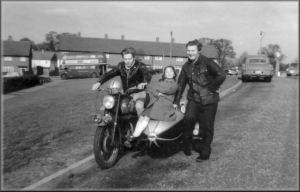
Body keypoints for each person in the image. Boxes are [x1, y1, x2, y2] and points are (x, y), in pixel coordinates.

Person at [173, 39, 226, 162]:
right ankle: (187, 144)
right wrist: (176, 102)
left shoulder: (207, 62)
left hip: (209, 100)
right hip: (194, 98)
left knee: (207, 126)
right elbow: (181, 85)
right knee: (188, 119)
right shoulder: (186, 66)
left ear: (198, 51)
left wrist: (211, 88)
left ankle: (205, 151)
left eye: (193, 50)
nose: (190, 53)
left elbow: (222, 74)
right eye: (188, 51)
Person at [125, 65, 179, 147]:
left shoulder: (174, 84)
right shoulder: (160, 82)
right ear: (164, 74)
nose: (169, 73)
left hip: (165, 103)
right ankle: (135, 134)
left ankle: (135, 135)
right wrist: (158, 93)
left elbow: (169, 90)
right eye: (167, 72)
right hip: (157, 101)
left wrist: (159, 90)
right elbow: (153, 89)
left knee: (147, 116)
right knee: (142, 116)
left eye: (170, 72)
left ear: (174, 74)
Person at [91, 47, 152, 115]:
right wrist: (99, 83)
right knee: (113, 105)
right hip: (126, 93)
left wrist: (144, 82)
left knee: (139, 107)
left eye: (129, 59)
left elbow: (146, 73)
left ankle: (143, 124)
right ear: (123, 59)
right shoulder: (121, 66)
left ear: (134, 58)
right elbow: (109, 74)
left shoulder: (140, 65)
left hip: (138, 92)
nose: (127, 61)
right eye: (125, 59)